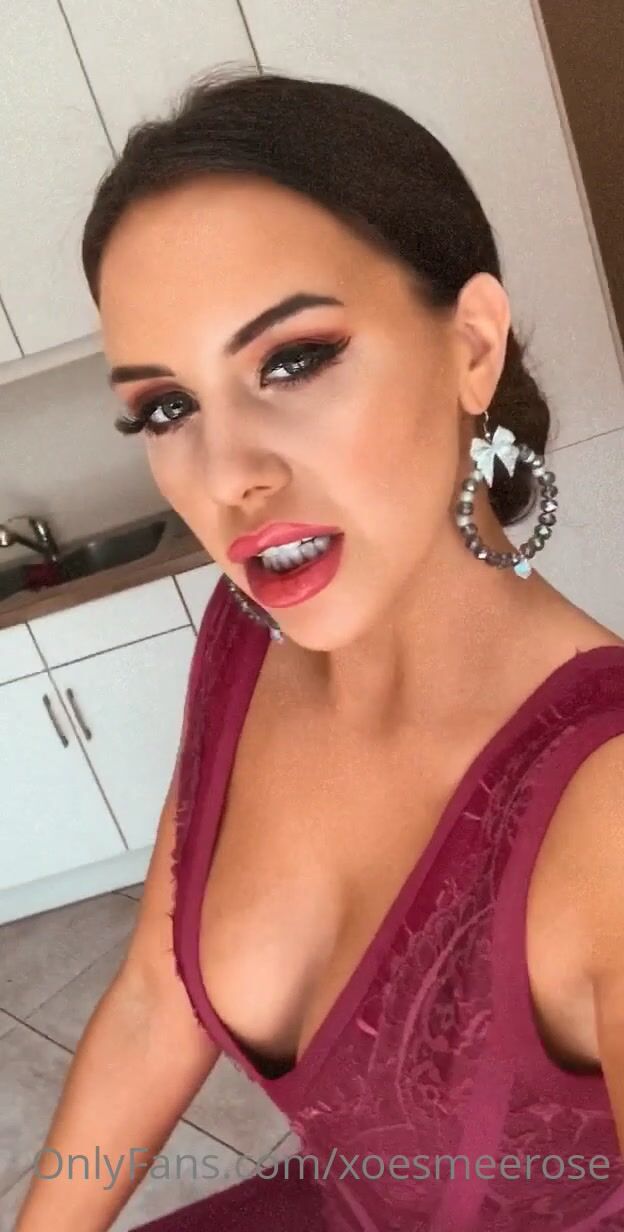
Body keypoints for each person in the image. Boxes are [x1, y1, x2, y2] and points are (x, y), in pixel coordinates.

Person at [15, 65, 624, 1232]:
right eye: (166, 407)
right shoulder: (245, 640)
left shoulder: (606, 813)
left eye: (292, 360)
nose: (231, 472)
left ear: (472, 346)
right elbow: (154, 999)